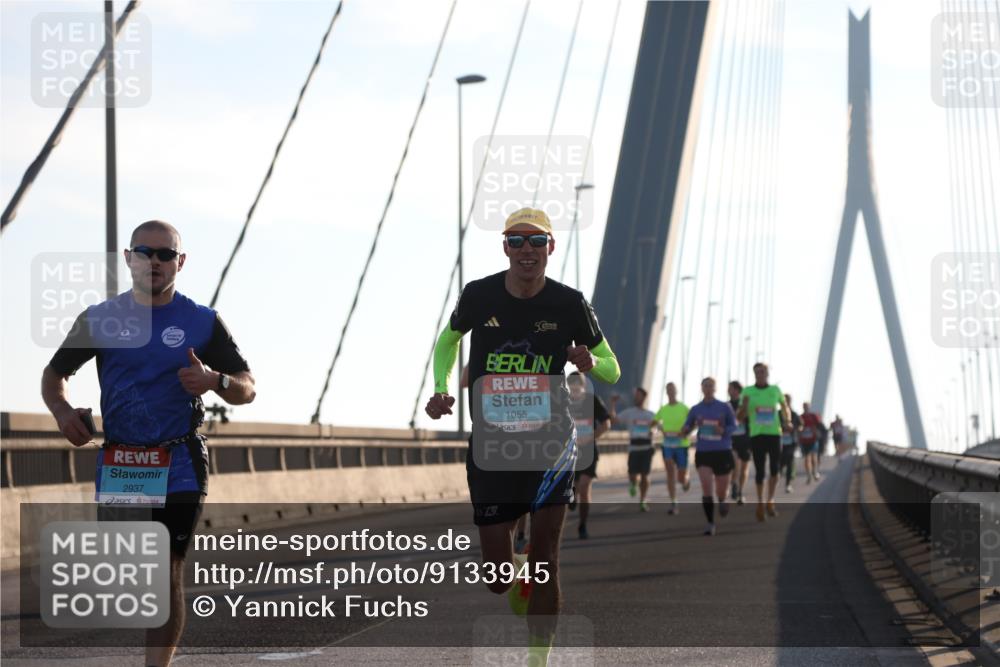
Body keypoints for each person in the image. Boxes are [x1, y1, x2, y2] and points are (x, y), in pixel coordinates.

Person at [41, 220, 256, 667]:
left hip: (179, 457)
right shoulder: (100, 318)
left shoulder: (202, 321)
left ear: (180, 261)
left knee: (165, 569)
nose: (154, 262)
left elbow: (247, 387)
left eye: (164, 254)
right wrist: (63, 412)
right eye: (145, 252)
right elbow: (54, 374)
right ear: (128, 258)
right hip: (124, 459)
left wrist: (214, 380)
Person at [424, 207, 620, 665]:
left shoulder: (570, 304)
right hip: (493, 446)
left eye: (536, 242)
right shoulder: (479, 295)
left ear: (551, 247)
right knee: (496, 574)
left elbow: (612, 366)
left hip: (550, 443)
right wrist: (440, 387)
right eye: (516, 240)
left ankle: (537, 660)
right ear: (505, 247)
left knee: (547, 559)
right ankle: (517, 574)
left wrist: (590, 362)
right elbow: (447, 342)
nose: (526, 250)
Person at [679, 377, 737, 536]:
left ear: (715, 388)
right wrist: (684, 430)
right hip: (703, 452)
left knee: (721, 490)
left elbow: (734, 425)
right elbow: (688, 425)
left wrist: (724, 431)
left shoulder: (724, 407)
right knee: (706, 487)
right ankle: (710, 523)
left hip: (722, 451)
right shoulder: (696, 409)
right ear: (701, 388)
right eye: (705, 385)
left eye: (711, 385)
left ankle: (723, 500)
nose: (708, 388)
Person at [737, 362, 790, 522]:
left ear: (768, 373)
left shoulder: (775, 390)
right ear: (754, 374)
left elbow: (784, 406)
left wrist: (787, 421)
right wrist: (744, 406)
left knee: (775, 469)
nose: (760, 374)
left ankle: (770, 500)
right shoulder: (747, 391)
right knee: (760, 471)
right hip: (757, 435)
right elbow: (739, 418)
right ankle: (760, 503)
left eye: (763, 371)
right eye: (757, 372)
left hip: (774, 434)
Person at [567, 372, 611, 539]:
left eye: (578, 384)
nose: (575, 387)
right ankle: (573, 496)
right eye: (572, 384)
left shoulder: (592, 400)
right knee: (573, 487)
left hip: (589, 451)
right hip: (569, 453)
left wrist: (590, 436)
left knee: (585, 486)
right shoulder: (563, 402)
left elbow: (606, 423)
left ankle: (582, 525)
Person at [610, 387, 656, 512]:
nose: (636, 397)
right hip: (634, 448)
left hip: (647, 447)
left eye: (639, 395)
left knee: (645, 475)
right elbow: (613, 420)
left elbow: (656, 428)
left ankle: (643, 500)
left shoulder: (651, 415)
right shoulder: (629, 413)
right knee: (632, 475)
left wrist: (652, 432)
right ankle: (633, 484)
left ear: (644, 397)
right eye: (635, 396)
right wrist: (613, 404)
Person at [652, 382, 690, 514]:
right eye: (668, 390)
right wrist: (659, 428)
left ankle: (685, 481)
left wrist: (685, 432)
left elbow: (693, 422)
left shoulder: (684, 408)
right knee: (670, 472)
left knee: (681, 476)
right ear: (666, 392)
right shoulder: (663, 409)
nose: (670, 392)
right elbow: (654, 422)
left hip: (681, 444)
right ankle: (674, 502)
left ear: (676, 391)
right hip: (667, 444)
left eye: (672, 389)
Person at [727, 380, 751, 504]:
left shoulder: (746, 404)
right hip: (732, 440)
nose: (728, 390)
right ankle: (734, 485)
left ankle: (741, 491)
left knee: (744, 469)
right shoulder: (726, 405)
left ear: (737, 390)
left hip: (746, 440)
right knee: (735, 463)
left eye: (730, 388)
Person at [779, 393, 801, 493]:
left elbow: (801, 426)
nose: (786, 402)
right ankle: (777, 476)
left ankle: (788, 485)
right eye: (784, 400)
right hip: (779, 442)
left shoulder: (795, 414)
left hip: (791, 442)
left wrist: (794, 429)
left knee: (789, 462)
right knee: (780, 463)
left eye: (787, 400)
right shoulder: (778, 414)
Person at [799, 402, 825, 482]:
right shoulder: (801, 417)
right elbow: (797, 427)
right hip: (804, 440)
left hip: (813, 440)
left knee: (814, 457)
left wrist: (816, 431)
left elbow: (820, 426)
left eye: (806, 407)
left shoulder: (813, 416)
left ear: (809, 407)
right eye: (804, 407)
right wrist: (800, 430)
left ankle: (815, 471)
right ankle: (808, 475)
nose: (805, 408)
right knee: (806, 458)